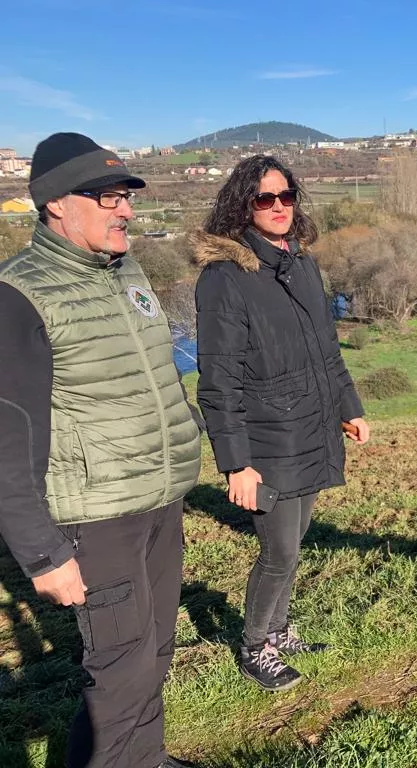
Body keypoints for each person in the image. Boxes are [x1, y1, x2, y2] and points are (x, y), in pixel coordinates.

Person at [0, 133, 202, 768]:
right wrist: (41, 551)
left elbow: (153, 378)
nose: (126, 211)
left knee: (153, 654)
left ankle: (148, 758)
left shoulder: (126, 271)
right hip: (95, 516)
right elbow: (9, 433)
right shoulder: (18, 295)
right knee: (118, 671)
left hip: (159, 498)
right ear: (57, 203)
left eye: (126, 197)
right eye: (108, 197)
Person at [193, 155, 369, 692]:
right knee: (280, 550)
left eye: (285, 196)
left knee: (297, 538)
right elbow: (217, 378)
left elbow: (326, 350)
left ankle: (277, 629)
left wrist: (349, 406)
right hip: (267, 440)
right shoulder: (225, 278)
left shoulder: (301, 264)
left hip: (310, 427)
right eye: (263, 198)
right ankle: (255, 646)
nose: (277, 207)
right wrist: (235, 464)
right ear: (241, 206)